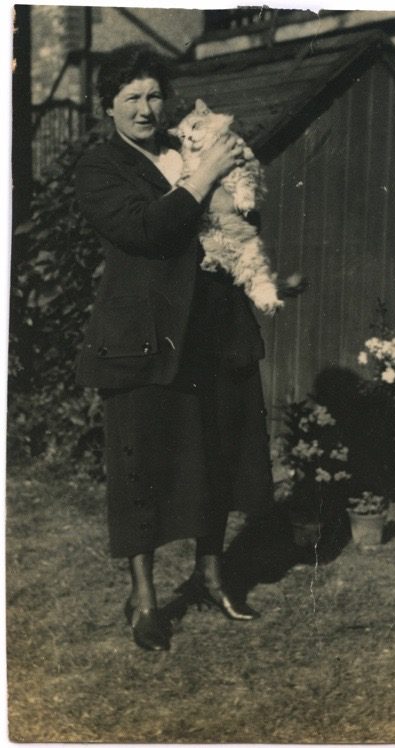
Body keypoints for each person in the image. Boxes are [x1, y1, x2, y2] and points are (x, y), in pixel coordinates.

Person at [74, 44, 274, 652]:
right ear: (107, 107)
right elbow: (144, 230)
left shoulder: (186, 146)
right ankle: (144, 599)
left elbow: (243, 217)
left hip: (213, 328)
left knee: (218, 454)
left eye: (154, 95)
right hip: (143, 337)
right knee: (140, 467)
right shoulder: (100, 166)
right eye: (130, 97)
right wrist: (207, 175)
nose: (145, 108)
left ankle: (210, 575)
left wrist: (233, 180)